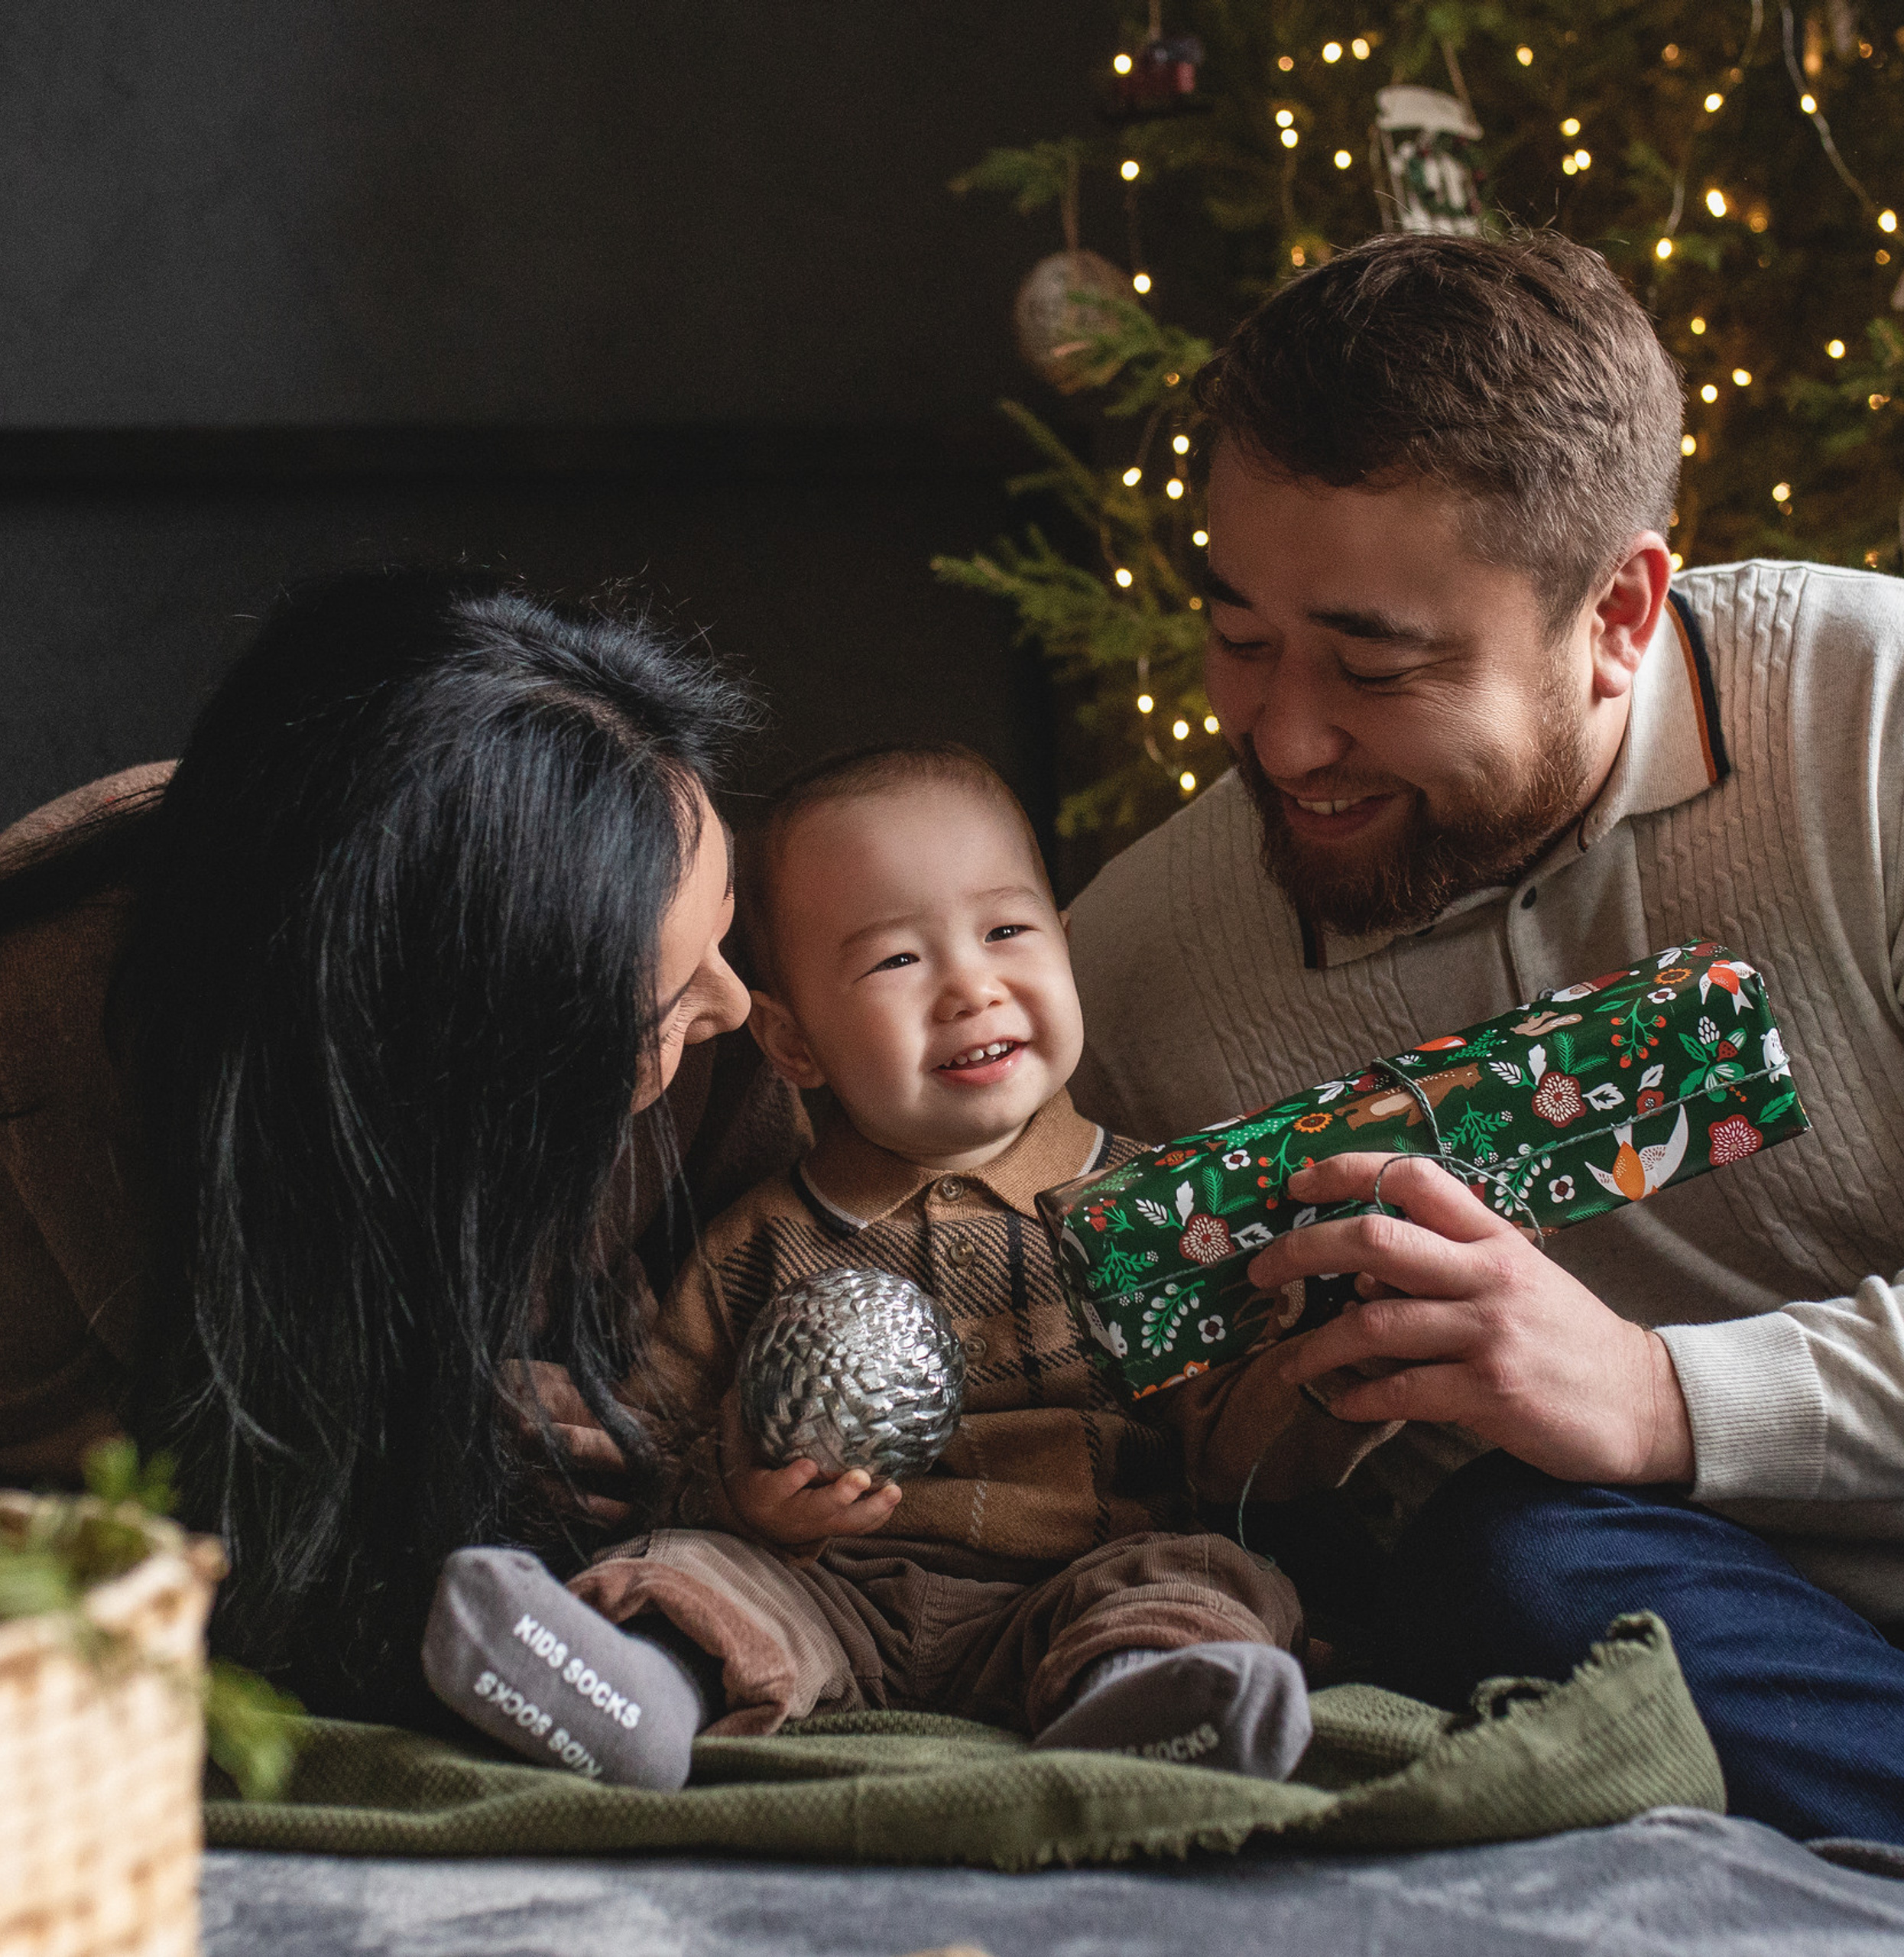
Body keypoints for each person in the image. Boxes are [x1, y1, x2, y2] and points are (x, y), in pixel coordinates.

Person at [1064, 230, 1904, 1850]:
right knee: (1507, 1561)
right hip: (1704, 1607)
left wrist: (1656, 1389)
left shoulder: (1901, 725)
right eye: (1237, 639)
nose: (1280, 737)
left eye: (1371, 664)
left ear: (1617, 609)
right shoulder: (1136, 963)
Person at [0, 567, 806, 1722]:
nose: (730, 1004)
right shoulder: (41, 1098)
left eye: (725, 935)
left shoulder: (713, 1037)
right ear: (461, 1081)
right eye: (665, 1008)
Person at [472, 743, 1334, 1785]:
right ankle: (626, 1695)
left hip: (1079, 1575)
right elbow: (651, 1437)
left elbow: (1229, 1458)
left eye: (1007, 932)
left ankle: (1142, 1702)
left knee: (1205, 1576)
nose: (971, 987)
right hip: (821, 1586)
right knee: (687, 1572)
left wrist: (1314, 1360)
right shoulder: (763, 1237)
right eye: (896, 961)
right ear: (792, 1045)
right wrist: (746, 1499)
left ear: (1067, 951)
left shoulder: (1163, 1211)